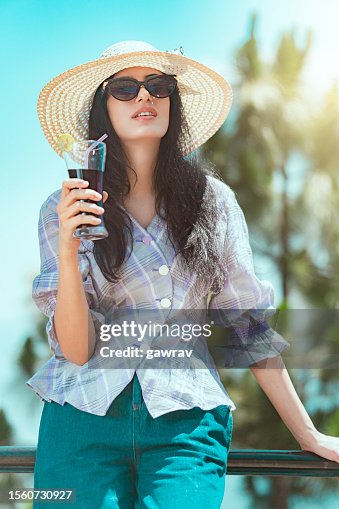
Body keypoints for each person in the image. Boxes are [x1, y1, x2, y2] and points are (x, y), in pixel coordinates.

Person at [27, 40, 339, 509]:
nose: (144, 97)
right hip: (81, 419)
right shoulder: (62, 208)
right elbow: (75, 348)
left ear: (172, 101)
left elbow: (245, 326)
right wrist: (69, 252)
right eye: (125, 88)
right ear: (102, 108)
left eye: (158, 86)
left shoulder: (213, 202)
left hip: (186, 420)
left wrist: (308, 432)